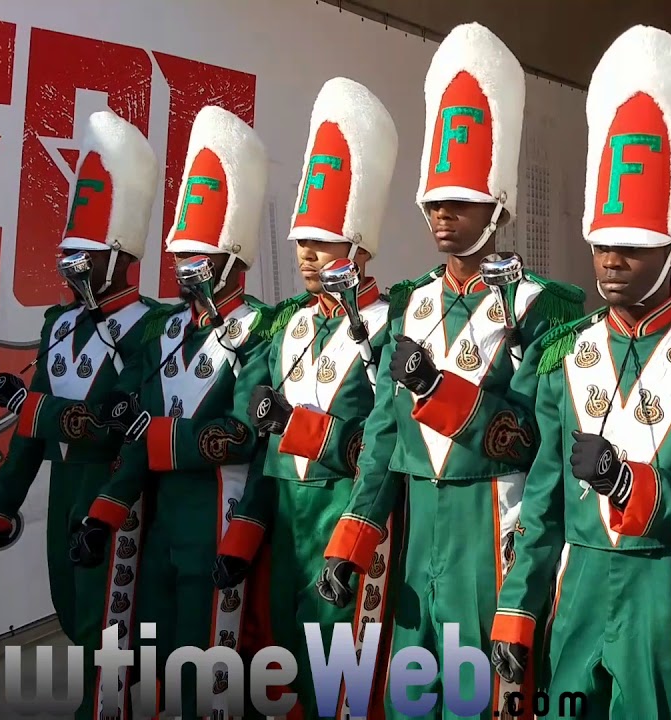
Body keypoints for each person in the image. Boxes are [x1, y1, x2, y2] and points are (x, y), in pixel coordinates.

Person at [420, 26, 671, 716]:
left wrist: (624, 483)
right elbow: (542, 501)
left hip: (667, 599)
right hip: (575, 595)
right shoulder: (565, 353)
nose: (611, 262)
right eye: (604, 245)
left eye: (633, 248)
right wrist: (517, 614)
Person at [317, 22, 586, 720]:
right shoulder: (412, 304)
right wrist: (354, 535)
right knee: (412, 693)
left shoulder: (543, 307)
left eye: (459, 202)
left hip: (491, 530)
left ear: (496, 206)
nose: (442, 215)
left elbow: (534, 440)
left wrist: (440, 392)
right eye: (434, 201)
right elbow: (381, 436)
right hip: (417, 526)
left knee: (482, 699)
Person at [69, 106, 273, 719]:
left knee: (210, 675)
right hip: (159, 527)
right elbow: (135, 438)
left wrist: (159, 440)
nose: (185, 265)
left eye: (199, 254)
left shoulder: (258, 329)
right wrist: (103, 514)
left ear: (232, 256)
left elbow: (242, 434)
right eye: (180, 252)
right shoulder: (161, 333)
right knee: (151, 668)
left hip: (219, 521)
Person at [212, 77, 400, 719]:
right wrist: (243, 538)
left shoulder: (392, 326)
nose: (309, 255)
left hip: (342, 528)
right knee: (282, 682)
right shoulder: (287, 324)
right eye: (302, 241)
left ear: (360, 245)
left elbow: (382, 449)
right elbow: (261, 449)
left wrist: (300, 429)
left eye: (323, 241)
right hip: (285, 531)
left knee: (339, 692)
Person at [0, 110, 162, 720]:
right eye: (67, 251)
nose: (69, 264)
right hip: (64, 491)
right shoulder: (59, 326)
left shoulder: (152, 327)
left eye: (84, 252)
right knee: (71, 612)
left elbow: (112, 418)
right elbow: (32, 427)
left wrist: (38, 408)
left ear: (119, 253)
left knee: (112, 624)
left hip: (118, 490)